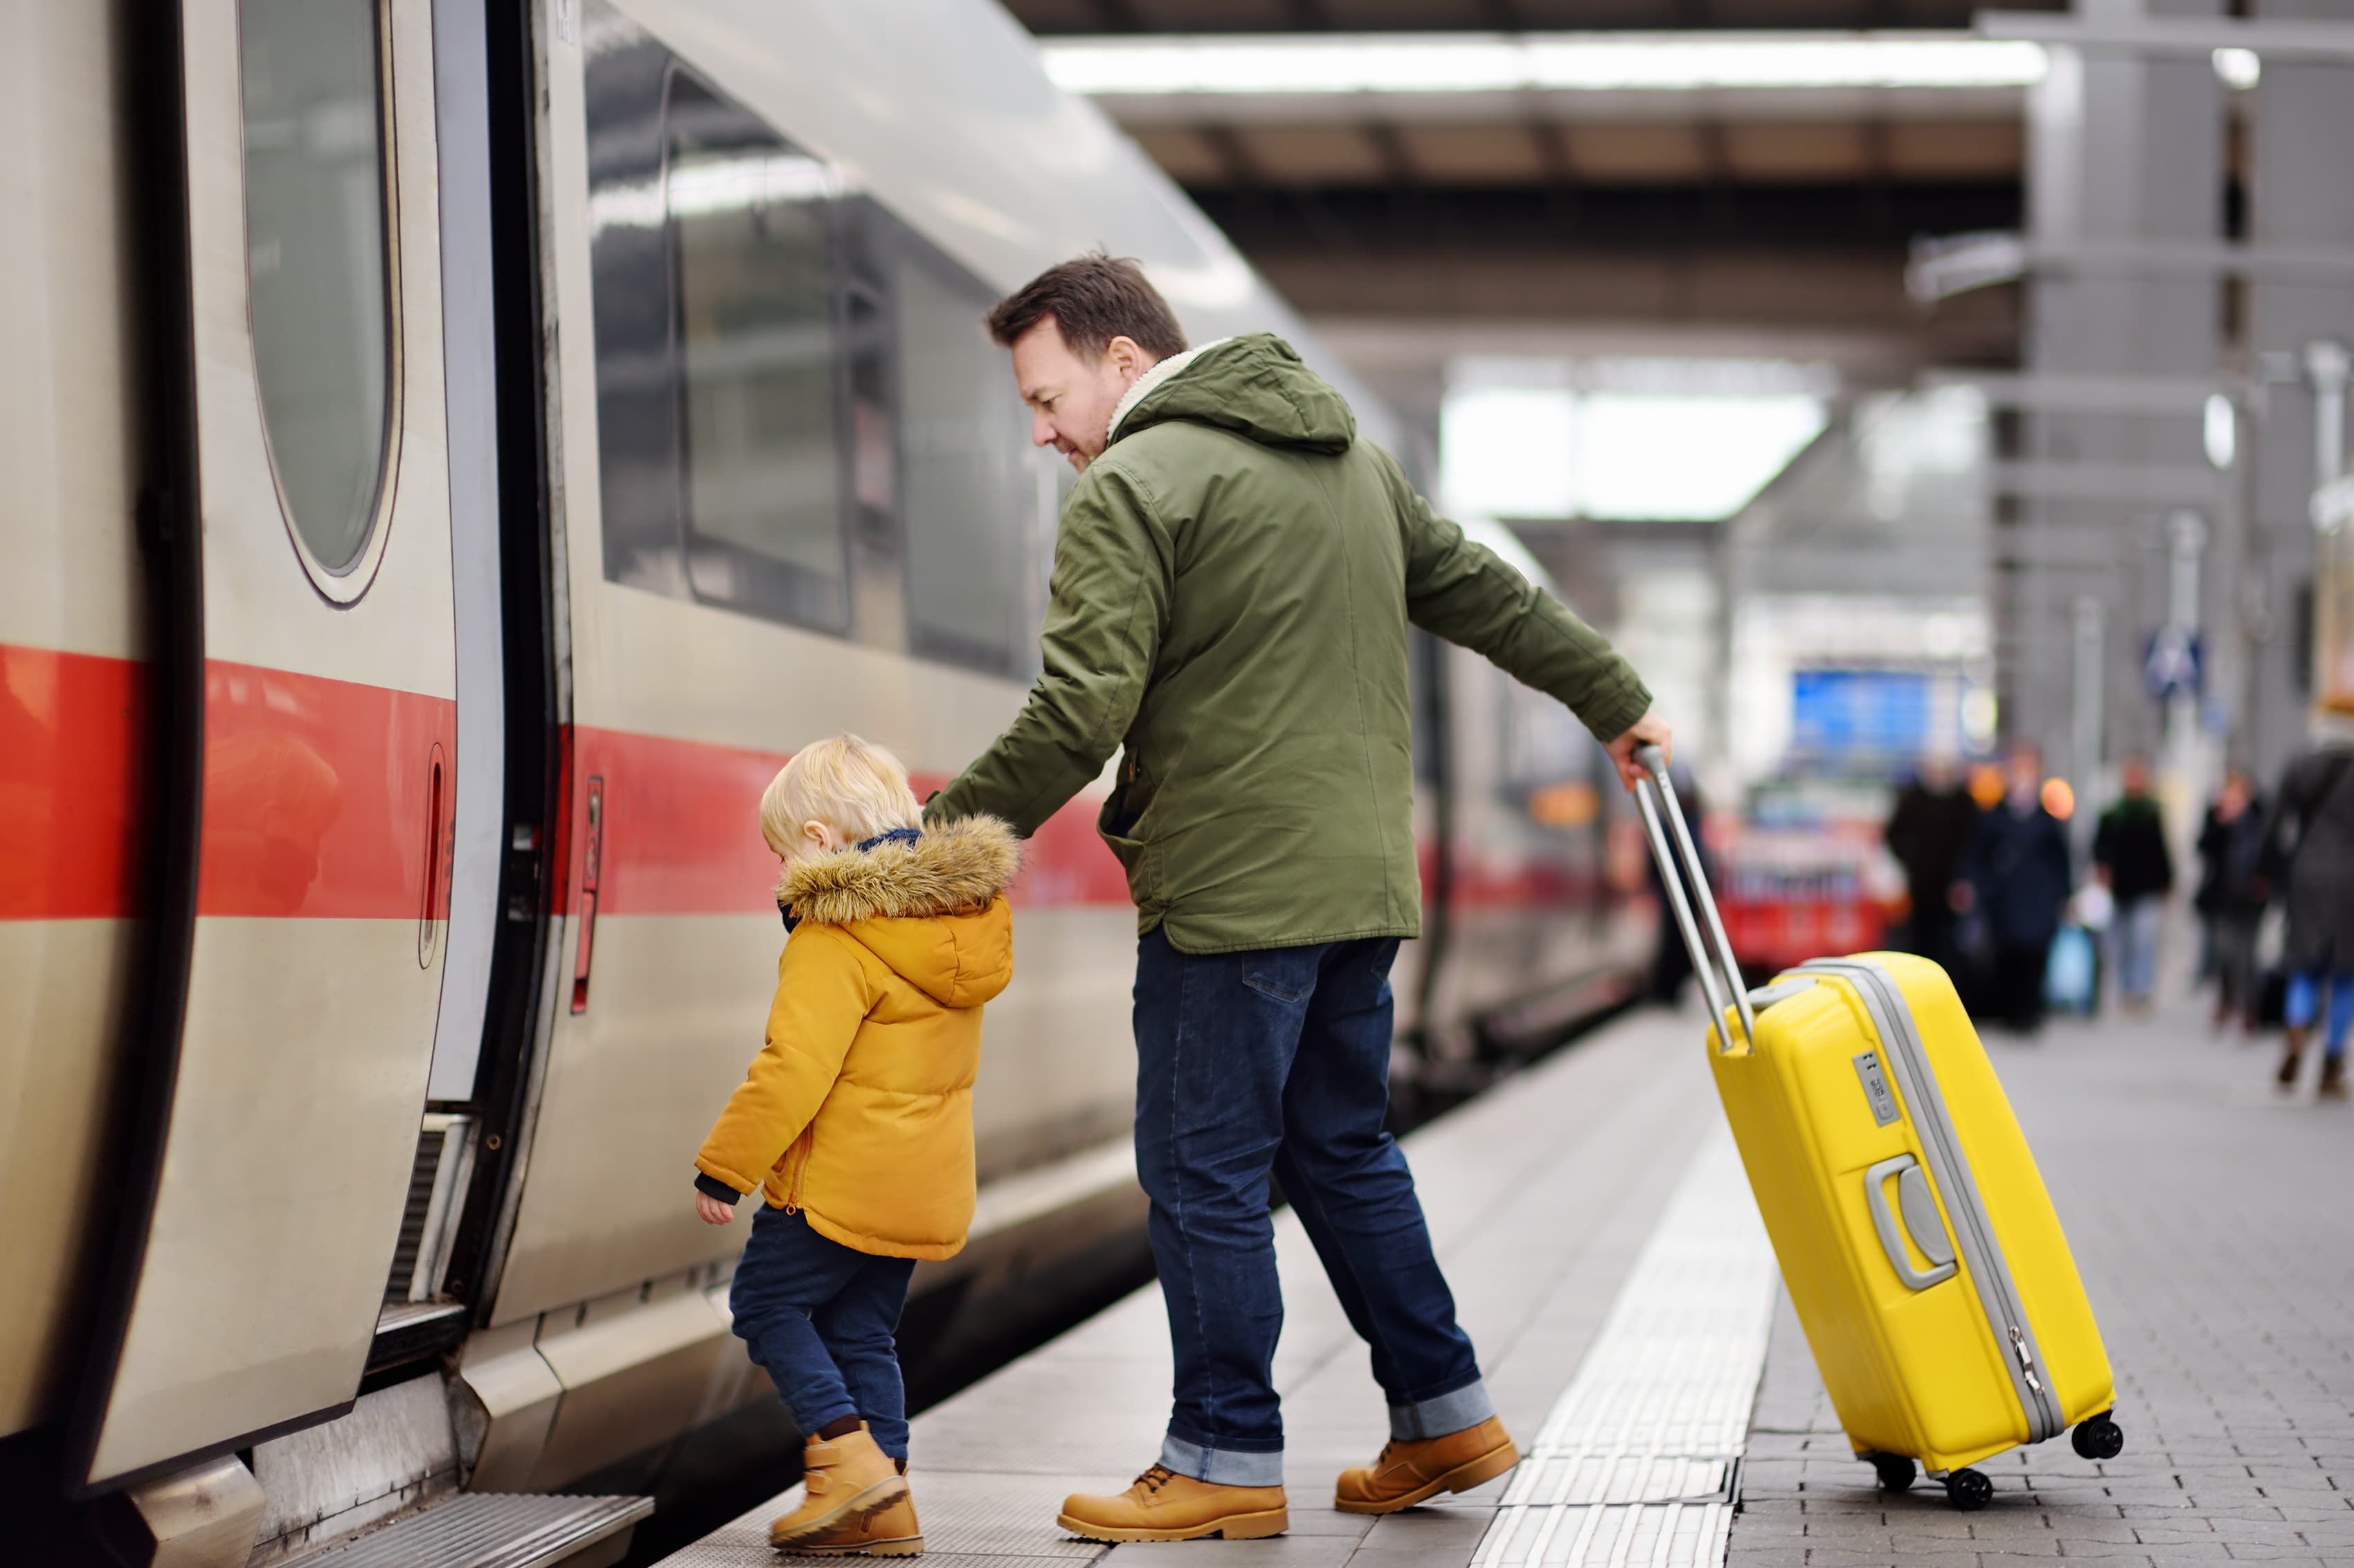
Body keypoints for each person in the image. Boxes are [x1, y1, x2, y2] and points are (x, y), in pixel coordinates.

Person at [926, 255, 1669, 1543]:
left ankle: (1223, 1453)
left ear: (1122, 361)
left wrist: (929, 848)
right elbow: (1489, 595)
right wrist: (1616, 701)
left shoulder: (1134, 487)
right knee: (1341, 1147)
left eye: (1046, 399)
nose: (1042, 433)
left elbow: (1079, 712)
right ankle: (1444, 1415)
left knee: (1202, 1170)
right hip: (1363, 887)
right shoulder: (1355, 467)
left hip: (1232, 892)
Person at [691, 736, 1019, 1553]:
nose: (780, 875)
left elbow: (793, 1068)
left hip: (835, 1188)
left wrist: (726, 1169)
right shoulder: (957, 924)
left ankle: (845, 1465)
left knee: (764, 1305)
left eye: (781, 855)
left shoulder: (834, 935)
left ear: (818, 839)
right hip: (921, 1187)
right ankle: (885, 1508)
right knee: (863, 1334)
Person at [2256, 719, 2354, 1097]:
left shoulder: (2301, 765)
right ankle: (2332, 1059)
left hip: (2307, 873)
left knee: (2304, 965)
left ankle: (2297, 1030)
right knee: (2346, 973)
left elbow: (2273, 824)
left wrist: (2265, 872)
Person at [1953, 742, 2073, 1035]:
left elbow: (2061, 860)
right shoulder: (1993, 816)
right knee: (2007, 954)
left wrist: (2065, 895)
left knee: (2035, 955)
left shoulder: (2046, 819)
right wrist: (1970, 885)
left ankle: (2030, 1011)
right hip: (2004, 898)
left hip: (2038, 898)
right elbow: (1975, 855)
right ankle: (2010, 1011)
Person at [2091, 754, 2174, 1015]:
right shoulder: (2112, 815)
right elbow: (2099, 848)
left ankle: (2141, 989)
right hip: (2118, 888)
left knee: (2143, 940)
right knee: (2121, 943)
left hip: (2146, 887)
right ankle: (2125, 989)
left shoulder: (2151, 814)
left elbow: (2161, 851)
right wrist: (2103, 871)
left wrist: (2167, 881)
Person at [1885, 755, 1979, 971]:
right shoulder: (1914, 800)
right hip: (1922, 887)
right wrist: (1911, 859)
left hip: (1955, 888)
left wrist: (1967, 877)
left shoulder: (1964, 803)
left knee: (1952, 947)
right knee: (1921, 944)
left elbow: (1976, 843)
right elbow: (1894, 836)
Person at [2194, 768, 2267, 1033]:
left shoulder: (2259, 817)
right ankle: (2227, 1001)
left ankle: (2250, 1008)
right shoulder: (2216, 817)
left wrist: (2266, 881)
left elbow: (2269, 851)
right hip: (2223, 895)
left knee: (2247, 954)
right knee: (2225, 952)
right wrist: (2221, 823)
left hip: (2252, 895)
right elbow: (2203, 848)